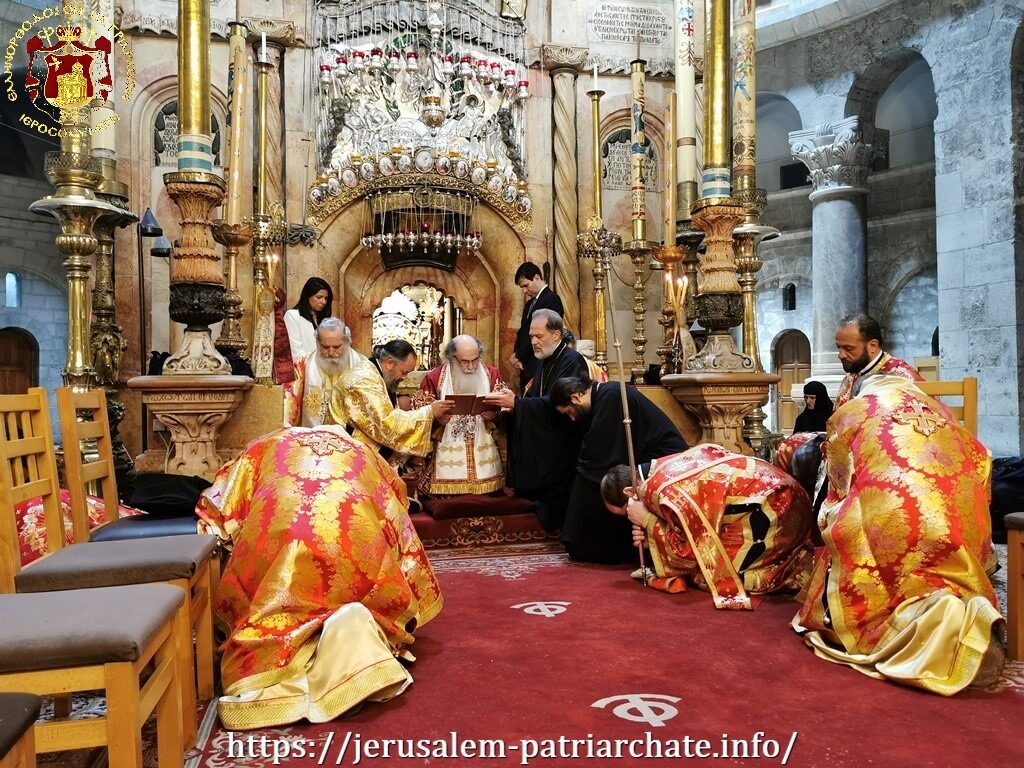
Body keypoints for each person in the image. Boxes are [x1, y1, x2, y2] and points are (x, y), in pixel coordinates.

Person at [195, 425, 442, 729]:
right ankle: (352, 639)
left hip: (281, 551)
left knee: (267, 598)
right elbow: (398, 512)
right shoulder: (366, 454)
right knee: (366, 585)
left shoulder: (263, 444)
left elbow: (217, 507)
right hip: (352, 545)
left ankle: (296, 655)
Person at [793, 373, 1004, 694]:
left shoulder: (850, 415)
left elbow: (835, 488)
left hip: (894, 536)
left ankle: (927, 626)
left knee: (850, 522)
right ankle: (962, 608)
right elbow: (983, 463)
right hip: (960, 542)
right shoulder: (942, 412)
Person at [601, 443, 815, 606]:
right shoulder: (667, 463)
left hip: (780, 510)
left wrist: (647, 521)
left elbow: (690, 554)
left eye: (626, 512)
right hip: (793, 494)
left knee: (705, 573)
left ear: (629, 493)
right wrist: (652, 538)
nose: (629, 518)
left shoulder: (659, 491)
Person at [550, 376, 688, 563]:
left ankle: (602, 549)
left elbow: (603, 454)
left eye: (570, 412)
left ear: (575, 398)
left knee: (593, 480)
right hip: (646, 458)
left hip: (664, 462)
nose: (573, 418)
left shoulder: (612, 396)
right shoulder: (606, 395)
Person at [485, 309, 590, 524]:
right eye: (531, 336)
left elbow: (562, 401)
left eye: (538, 336)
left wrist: (517, 404)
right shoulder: (544, 360)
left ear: (556, 335)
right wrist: (512, 408)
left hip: (563, 435)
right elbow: (533, 396)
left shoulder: (572, 360)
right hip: (546, 431)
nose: (533, 341)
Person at [414, 335, 505, 495]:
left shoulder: (492, 374)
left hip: (483, 447)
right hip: (445, 448)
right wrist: (437, 418)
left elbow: (505, 408)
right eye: (464, 361)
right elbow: (419, 414)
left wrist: (494, 415)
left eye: (475, 360)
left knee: (489, 502)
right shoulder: (434, 378)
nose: (471, 366)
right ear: (452, 358)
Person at [337, 338, 454, 461]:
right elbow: (387, 424)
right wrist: (429, 412)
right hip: (346, 455)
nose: (405, 378)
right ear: (389, 363)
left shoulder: (377, 375)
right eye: (404, 372)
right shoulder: (364, 381)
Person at [834, 313, 922, 407]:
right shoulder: (849, 379)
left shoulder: (902, 376)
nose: (841, 355)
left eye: (848, 349)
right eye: (839, 347)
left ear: (873, 346)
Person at [293, 318, 364, 428]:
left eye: (336, 347)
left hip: (351, 439)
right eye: (325, 347)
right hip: (312, 437)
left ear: (347, 342)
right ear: (317, 343)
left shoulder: (363, 366)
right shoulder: (302, 367)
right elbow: (290, 408)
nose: (331, 353)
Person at [511, 262, 563, 391]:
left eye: (526, 286)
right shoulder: (530, 304)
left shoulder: (551, 299)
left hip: (539, 362)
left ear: (536, 278)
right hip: (526, 364)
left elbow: (541, 333)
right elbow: (523, 332)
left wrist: (518, 355)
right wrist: (517, 355)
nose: (524, 291)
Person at [284, 277, 333, 364]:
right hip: (303, 371)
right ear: (307, 296)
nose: (323, 302)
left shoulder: (324, 319)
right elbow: (296, 354)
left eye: (326, 298)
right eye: (319, 297)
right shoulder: (292, 316)